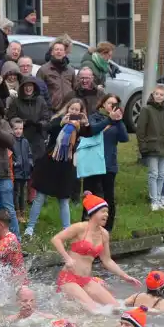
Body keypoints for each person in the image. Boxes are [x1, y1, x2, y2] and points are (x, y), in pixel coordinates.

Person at [51, 192, 140, 312]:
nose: (106, 215)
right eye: (103, 211)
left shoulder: (104, 234)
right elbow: (56, 239)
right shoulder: (80, 227)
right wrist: (67, 258)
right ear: (93, 212)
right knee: (96, 311)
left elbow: (107, 260)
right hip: (69, 278)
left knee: (117, 308)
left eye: (107, 212)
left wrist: (125, 276)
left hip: (86, 280)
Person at [24, 99, 88, 236]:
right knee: (40, 196)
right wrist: (61, 123)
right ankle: (30, 228)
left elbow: (90, 133)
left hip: (66, 167)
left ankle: (67, 230)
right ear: (67, 108)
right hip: (50, 163)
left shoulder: (81, 127)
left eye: (77, 110)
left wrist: (85, 122)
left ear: (81, 112)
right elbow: (48, 129)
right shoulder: (59, 120)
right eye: (72, 109)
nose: (74, 112)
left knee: (63, 199)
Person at [77, 93, 128, 230]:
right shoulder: (94, 117)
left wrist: (119, 120)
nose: (112, 106)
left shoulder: (117, 122)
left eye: (115, 104)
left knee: (108, 197)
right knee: (89, 196)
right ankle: (86, 226)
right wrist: (108, 120)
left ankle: (107, 229)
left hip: (108, 164)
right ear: (103, 104)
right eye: (110, 103)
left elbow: (124, 138)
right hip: (93, 163)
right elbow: (92, 130)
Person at [136, 84, 164, 211]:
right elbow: (140, 130)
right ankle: (154, 200)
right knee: (153, 173)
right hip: (152, 147)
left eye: (161, 94)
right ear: (153, 95)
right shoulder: (146, 110)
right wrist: (143, 147)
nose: (159, 96)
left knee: (162, 174)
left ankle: (159, 198)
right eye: (156, 94)